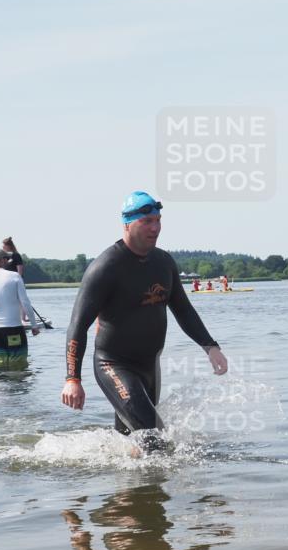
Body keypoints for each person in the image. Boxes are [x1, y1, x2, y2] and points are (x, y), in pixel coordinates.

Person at [61, 191, 228, 451]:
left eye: (158, 220)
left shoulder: (163, 262)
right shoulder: (105, 267)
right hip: (113, 365)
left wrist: (210, 346)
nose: (155, 228)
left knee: (133, 444)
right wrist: (73, 378)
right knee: (155, 438)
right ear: (128, 224)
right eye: (147, 221)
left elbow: (183, 310)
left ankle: (131, 491)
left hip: (150, 367)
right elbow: (77, 325)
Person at [0, 249, 39, 367]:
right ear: (3, 260)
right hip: (14, 329)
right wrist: (34, 326)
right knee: (19, 366)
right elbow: (25, 302)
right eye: (7, 259)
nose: (8, 261)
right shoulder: (14, 276)